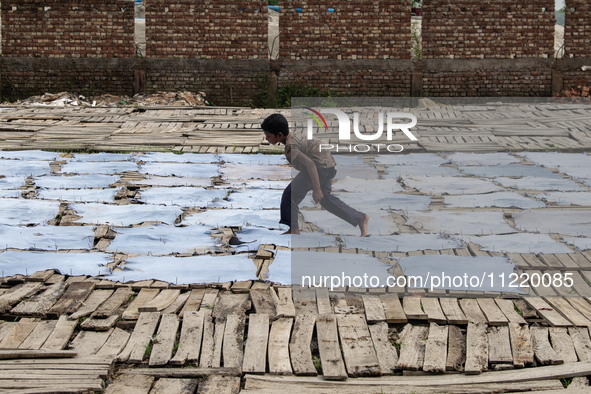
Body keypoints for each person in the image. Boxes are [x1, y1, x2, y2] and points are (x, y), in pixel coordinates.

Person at [261, 113, 369, 236]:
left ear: (279, 135)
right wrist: (328, 176)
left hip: (318, 168)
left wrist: (316, 189)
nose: (266, 139)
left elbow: (311, 164)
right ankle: (360, 218)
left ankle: (294, 230)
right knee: (325, 199)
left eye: (268, 136)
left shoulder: (290, 147)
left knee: (290, 196)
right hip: (328, 166)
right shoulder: (295, 136)